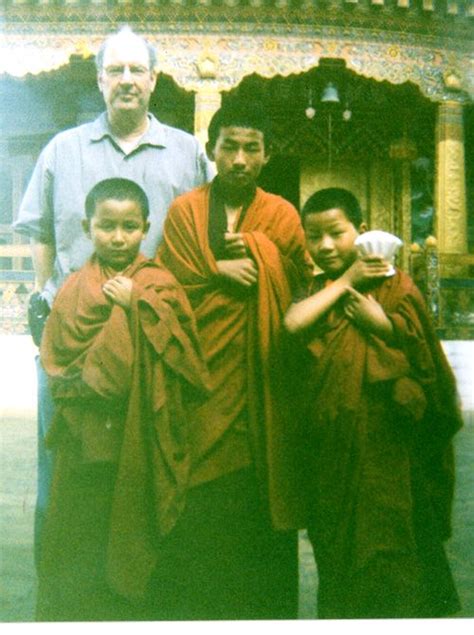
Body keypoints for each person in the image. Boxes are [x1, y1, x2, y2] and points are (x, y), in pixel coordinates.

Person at [13, 25, 213, 560]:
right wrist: (45, 298)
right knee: (62, 466)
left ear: (154, 80)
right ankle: (60, 588)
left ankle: (140, 587)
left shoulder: (188, 151)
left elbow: (206, 230)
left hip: (149, 334)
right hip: (74, 336)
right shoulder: (64, 148)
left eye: (137, 70)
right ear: (100, 80)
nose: (127, 80)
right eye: (115, 70)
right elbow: (41, 233)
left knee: (148, 463)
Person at [156, 100, 313, 620]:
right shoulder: (183, 211)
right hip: (199, 383)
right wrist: (219, 270)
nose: (241, 158)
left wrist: (262, 256)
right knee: (198, 500)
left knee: (256, 501)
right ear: (212, 149)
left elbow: (298, 286)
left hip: (261, 385)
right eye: (231, 146)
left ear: (266, 156)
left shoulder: (281, 215)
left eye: (253, 148)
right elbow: (168, 285)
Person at [284, 187, 462, 619]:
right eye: (314, 236)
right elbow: (292, 326)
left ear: (361, 232)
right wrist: (347, 282)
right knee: (341, 563)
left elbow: (426, 367)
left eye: (336, 233)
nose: (325, 246)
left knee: (396, 561)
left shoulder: (395, 286)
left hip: (392, 460)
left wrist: (381, 324)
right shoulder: (314, 289)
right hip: (335, 457)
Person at [36, 178, 207, 621]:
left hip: (139, 431)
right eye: (106, 225)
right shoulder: (73, 287)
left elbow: (187, 357)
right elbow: (55, 359)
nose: (117, 236)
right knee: (84, 535)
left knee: (134, 526)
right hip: (86, 435)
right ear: (86, 226)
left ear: (146, 227)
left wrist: (140, 303)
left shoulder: (158, 283)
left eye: (129, 226)